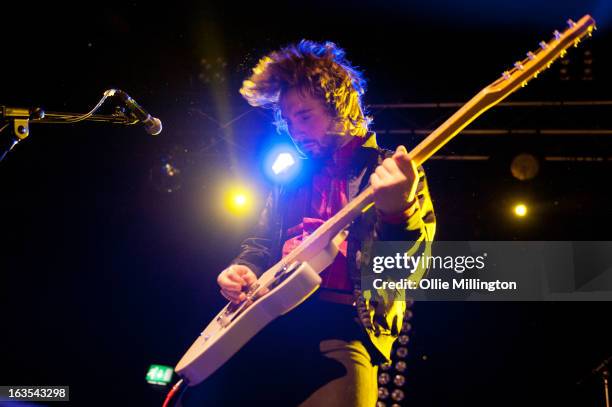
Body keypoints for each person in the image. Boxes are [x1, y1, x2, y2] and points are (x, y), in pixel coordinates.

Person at [215, 40, 436, 406]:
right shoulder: (292, 176)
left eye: (305, 116)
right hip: (270, 326)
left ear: (340, 108)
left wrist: (399, 211)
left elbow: (406, 273)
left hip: (342, 330)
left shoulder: (389, 172)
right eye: (288, 121)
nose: (295, 131)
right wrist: (242, 268)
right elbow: (261, 243)